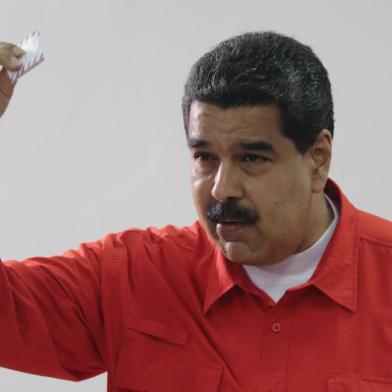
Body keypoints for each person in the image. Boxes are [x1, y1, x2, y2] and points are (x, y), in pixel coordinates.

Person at [0, 31, 391, 392]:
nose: (222, 188)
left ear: (318, 159)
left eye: (252, 157)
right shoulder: (132, 277)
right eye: (204, 157)